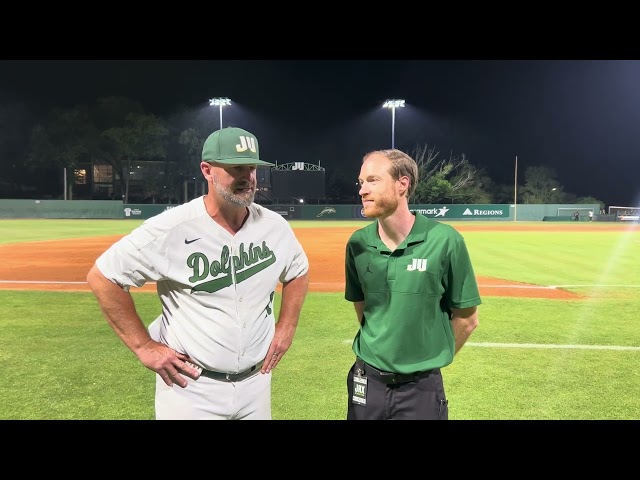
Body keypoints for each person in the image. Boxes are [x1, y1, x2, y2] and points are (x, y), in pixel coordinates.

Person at [87, 126, 310, 420]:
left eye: (252, 168)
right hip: (191, 389)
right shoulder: (172, 228)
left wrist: (287, 326)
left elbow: (298, 270)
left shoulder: (275, 226)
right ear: (207, 170)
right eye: (235, 168)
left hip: (257, 384)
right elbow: (103, 276)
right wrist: (144, 347)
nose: (248, 177)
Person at [344, 149, 481, 420]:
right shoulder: (357, 244)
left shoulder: (445, 241)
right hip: (366, 383)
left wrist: (425, 362)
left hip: (421, 390)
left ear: (402, 184)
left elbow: (467, 319)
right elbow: (364, 311)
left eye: (373, 180)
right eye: (361, 182)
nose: (363, 190)